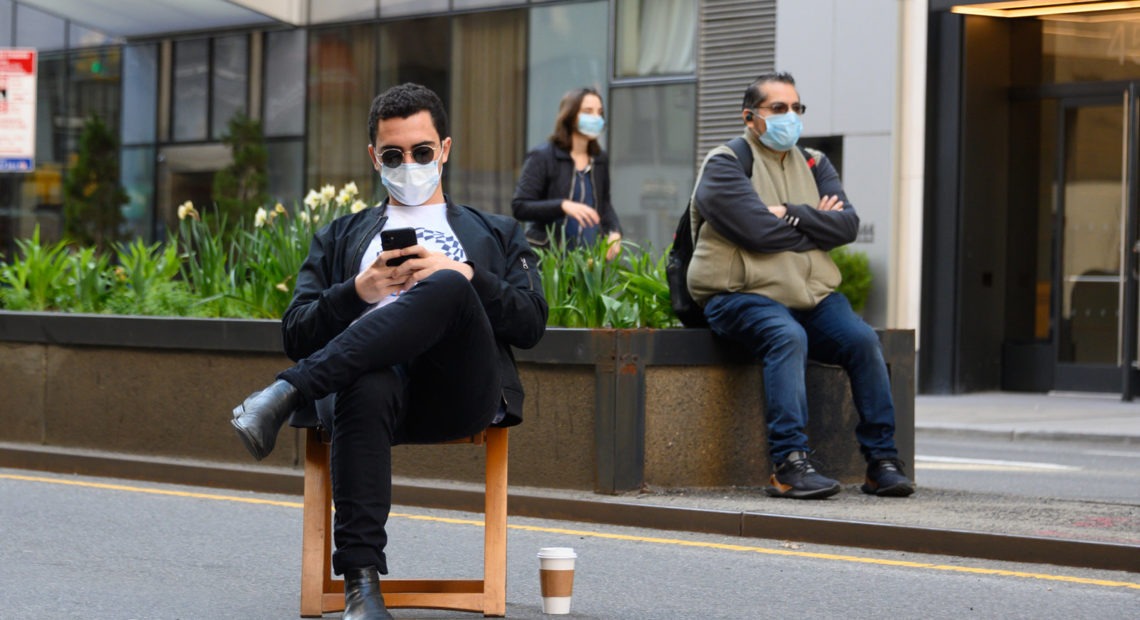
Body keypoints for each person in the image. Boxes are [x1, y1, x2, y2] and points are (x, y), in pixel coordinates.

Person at [230, 83, 548, 619]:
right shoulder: (340, 237)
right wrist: (359, 291)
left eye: (422, 152)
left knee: (446, 287)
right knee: (367, 378)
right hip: (364, 398)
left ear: (444, 149)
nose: (410, 164)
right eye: (395, 155)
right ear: (374, 157)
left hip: (456, 389)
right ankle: (362, 589)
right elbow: (297, 330)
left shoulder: (496, 232)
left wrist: (464, 273)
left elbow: (531, 321)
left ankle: (287, 391)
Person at [686, 72, 914, 500]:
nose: (790, 117)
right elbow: (757, 233)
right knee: (786, 336)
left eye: (797, 108)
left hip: (811, 296)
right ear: (750, 117)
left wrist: (789, 212)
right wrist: (815, 221)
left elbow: (846, 225)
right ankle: (789, 463)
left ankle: (881, 462)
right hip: (740, 296)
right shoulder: (725, 163)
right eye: (778, 109)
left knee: (863, 340)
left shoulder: (814, 161)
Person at [512, 87, 623, 260]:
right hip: (549, 263)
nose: (596, 118)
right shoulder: (543, 156)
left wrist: (614, 231)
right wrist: (563, 206)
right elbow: (520, 206)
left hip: (589, 263)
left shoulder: (599, 159)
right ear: (570, 116)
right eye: (588, 111)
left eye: (599, 112)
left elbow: (605, 204)